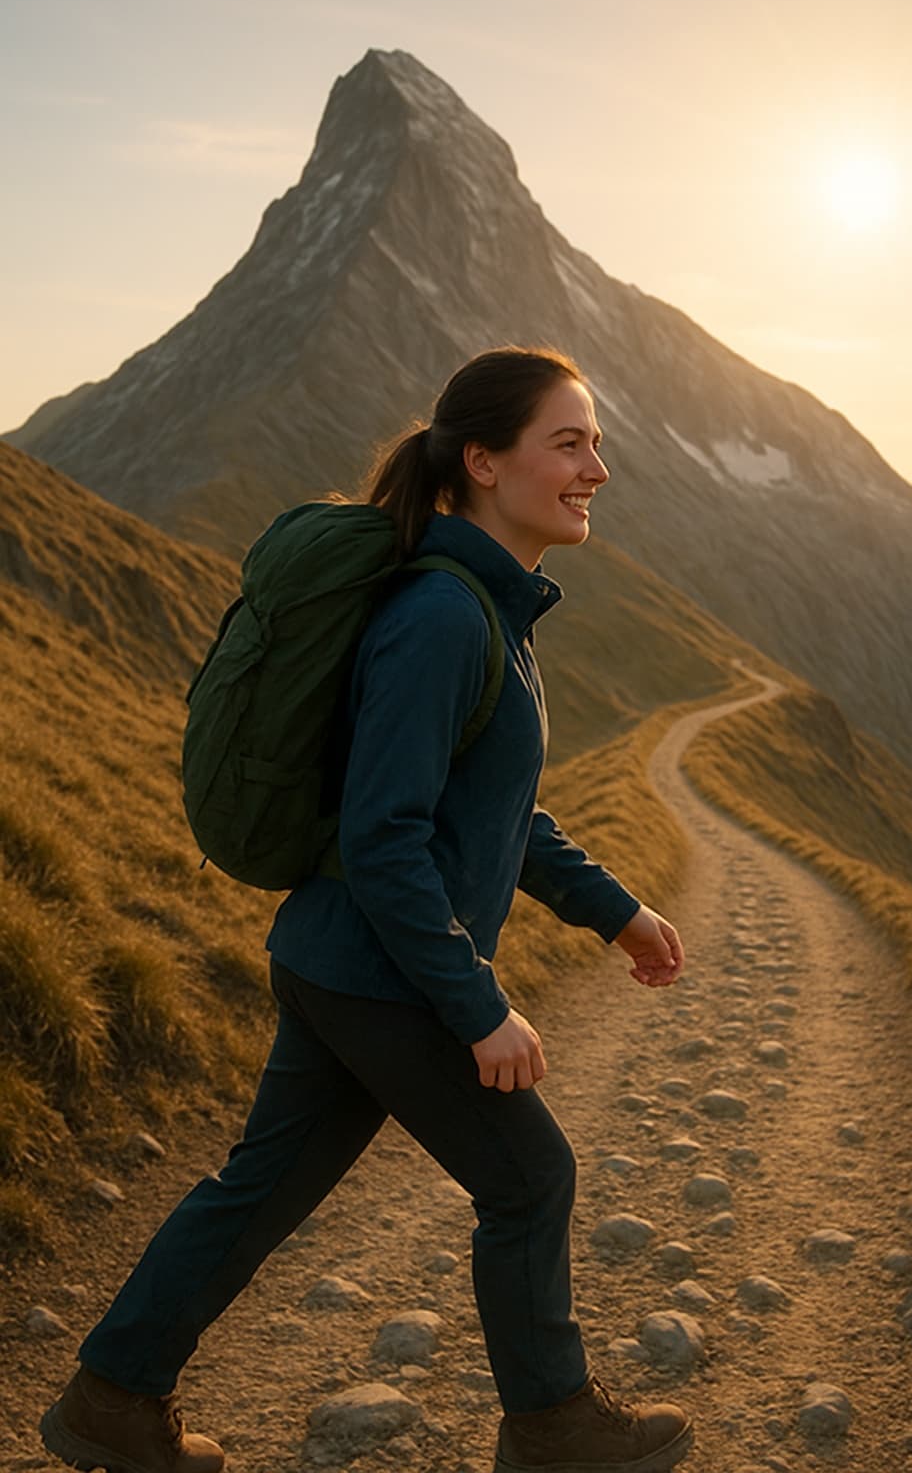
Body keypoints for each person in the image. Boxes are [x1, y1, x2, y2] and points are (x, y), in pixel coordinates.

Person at [41, 347, 693, 1473]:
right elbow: (382, 834)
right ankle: (552, 1428)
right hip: (380, 973)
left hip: (344, 959)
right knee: (529, 1177)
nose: (598, 466)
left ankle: (111, 1399)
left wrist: (617, 912)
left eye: (594, 441)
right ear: (483, 460)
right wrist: (478, 1007)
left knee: (259, 1190)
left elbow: (494, 814)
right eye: (570, 441)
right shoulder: (443, 616)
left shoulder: (484, 609)